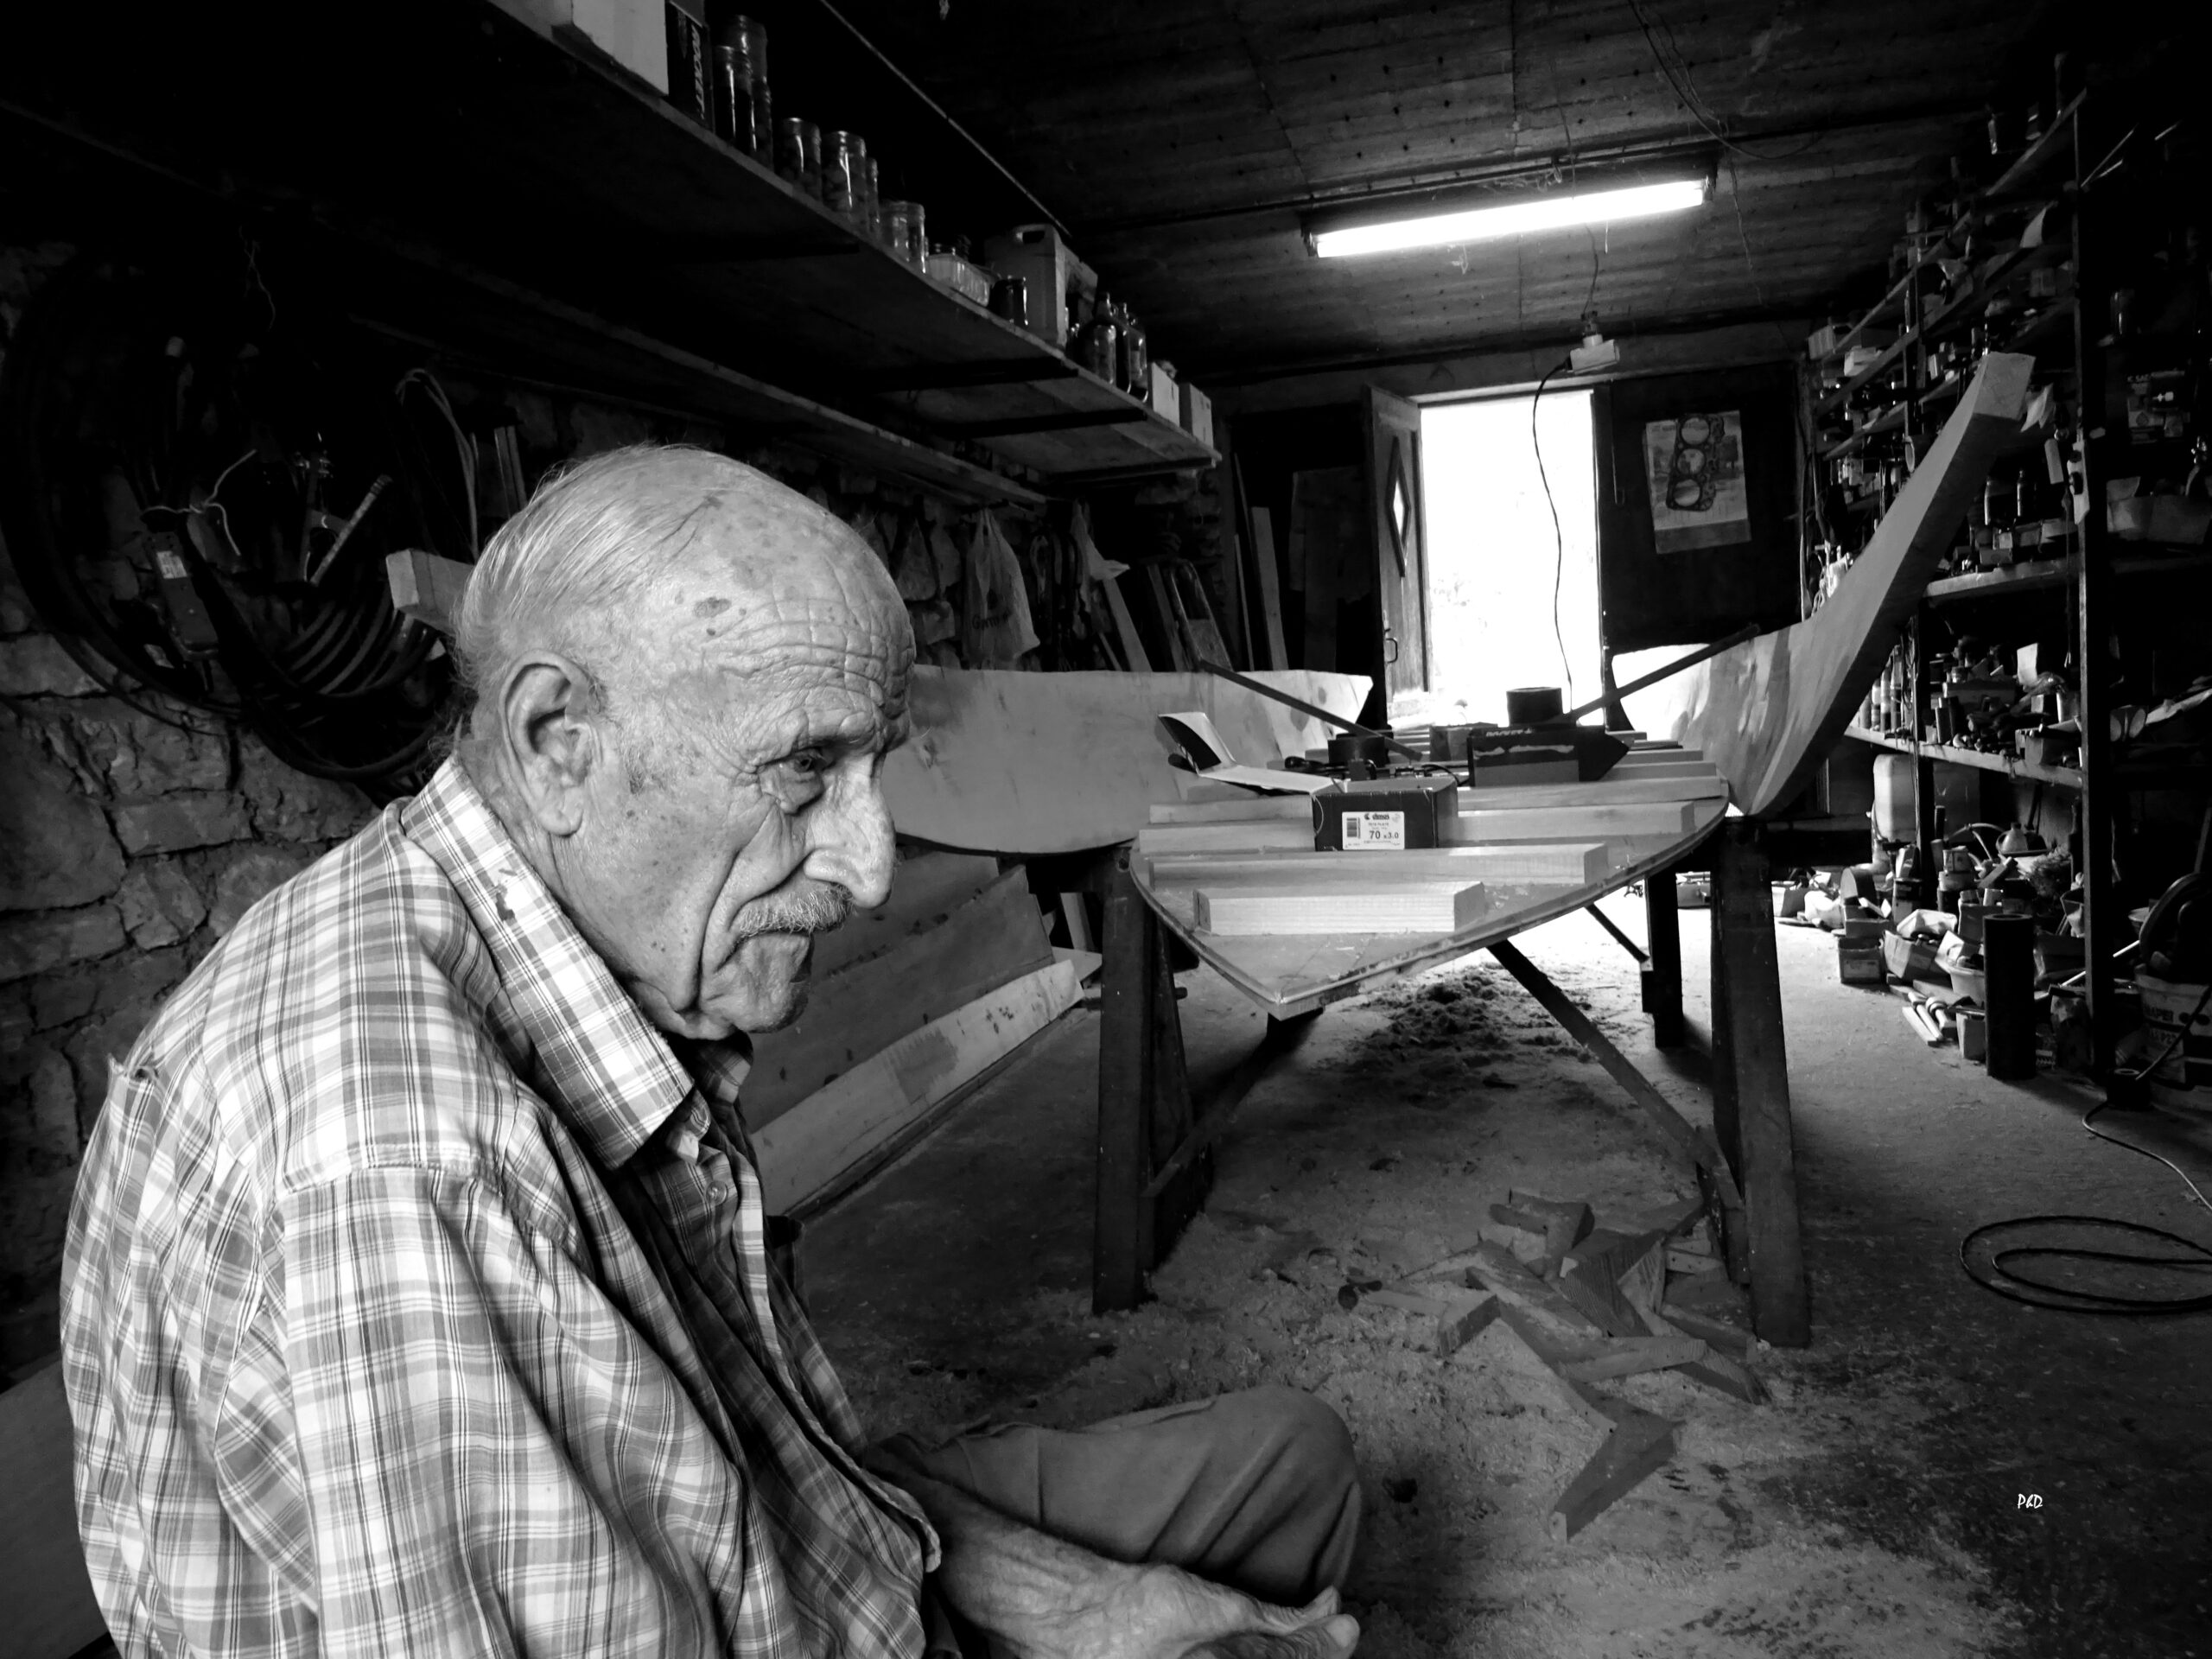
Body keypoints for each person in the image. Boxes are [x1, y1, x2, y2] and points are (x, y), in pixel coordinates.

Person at [61, 445, 1363, 1658]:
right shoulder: (414, 1169)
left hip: (796, 1520)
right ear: (557, 740)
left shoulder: (551, 933)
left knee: (1291, 1467)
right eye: (805, 771)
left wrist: (1077, 1596)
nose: (865, 869)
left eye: (873, 771)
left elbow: (742, 1442)